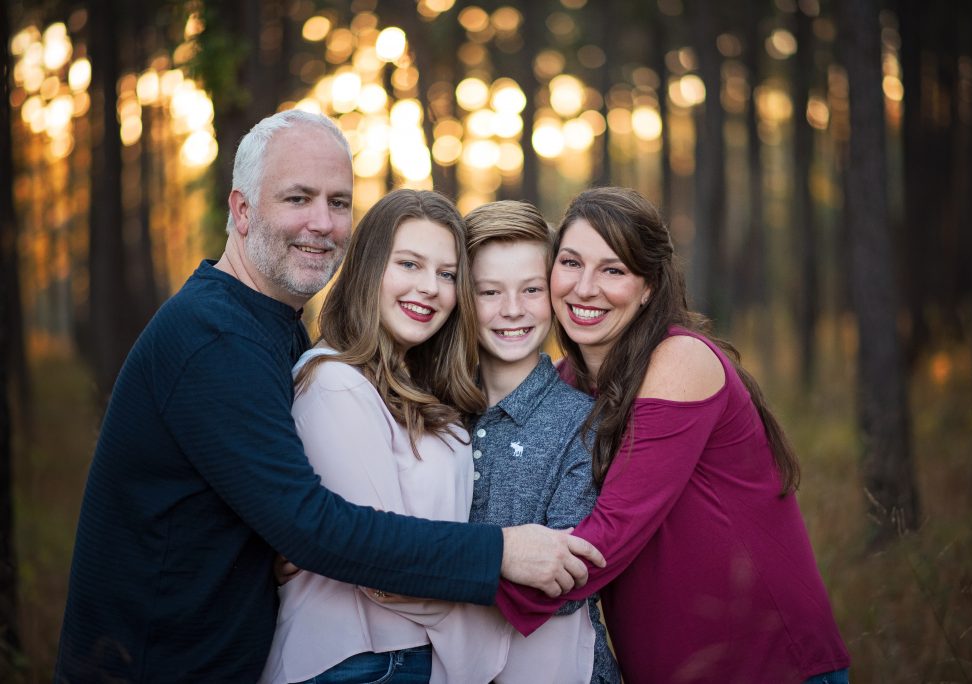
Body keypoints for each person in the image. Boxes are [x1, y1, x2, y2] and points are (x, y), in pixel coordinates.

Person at [54, 110, 603, 683]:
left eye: (339, 203)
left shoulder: (272, 328)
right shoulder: (213, 338)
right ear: (241, 211)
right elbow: (316, 528)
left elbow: (291, 519)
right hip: (154, 666)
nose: (321, 222)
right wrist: (499, 554)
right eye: (298, 198)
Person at [495, 187, 850, 683]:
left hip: (765, 666)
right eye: (571, 263)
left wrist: (458, 579)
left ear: (648, 287)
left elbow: (607, 538)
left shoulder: (680, 359)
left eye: (613, 270)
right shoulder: (565, 384)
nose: (584, 288)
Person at [261, 188, 497, 683]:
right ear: (370, 269)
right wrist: (495, 623)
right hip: (355, 663)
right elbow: (380, 570)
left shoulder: (421, 386)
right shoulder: (333, 383)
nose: (430, 287)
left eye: (447, 274)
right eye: (409, 264)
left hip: (410, 659)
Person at [464, 200, 619, 683]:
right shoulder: (430, 411)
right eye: (489, 291)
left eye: (531, 289)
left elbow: (561, 582)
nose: (512, 310)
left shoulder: (583, 425)